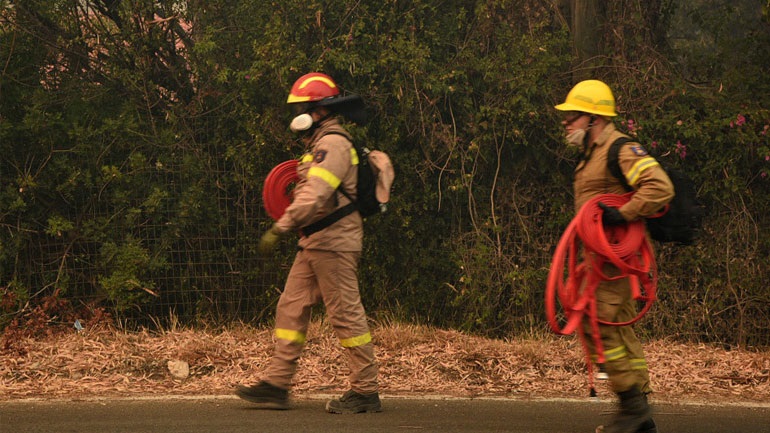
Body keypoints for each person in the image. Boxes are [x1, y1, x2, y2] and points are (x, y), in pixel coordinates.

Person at [235, 72, 382, 414]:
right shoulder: (320, 144)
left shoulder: (333, 144)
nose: (297, 115)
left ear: (318, 111)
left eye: (302, 107)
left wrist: (281, 226)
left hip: (334, 243)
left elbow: (314, 196)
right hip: (315, 242)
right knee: (290, 308)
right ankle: (276, 385)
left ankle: (365, 391)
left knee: (345, 315)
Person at [554, 79, 674, 433]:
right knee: (623, 331)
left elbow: (660, 186)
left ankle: (632, 406)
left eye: (572, 116)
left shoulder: (620, 149)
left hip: (615, 260)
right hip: (600, 259)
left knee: (599, 323)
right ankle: (641, 413)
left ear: (594, 119)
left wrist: (623, 213)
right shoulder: (590, 156)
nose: (566, 122)